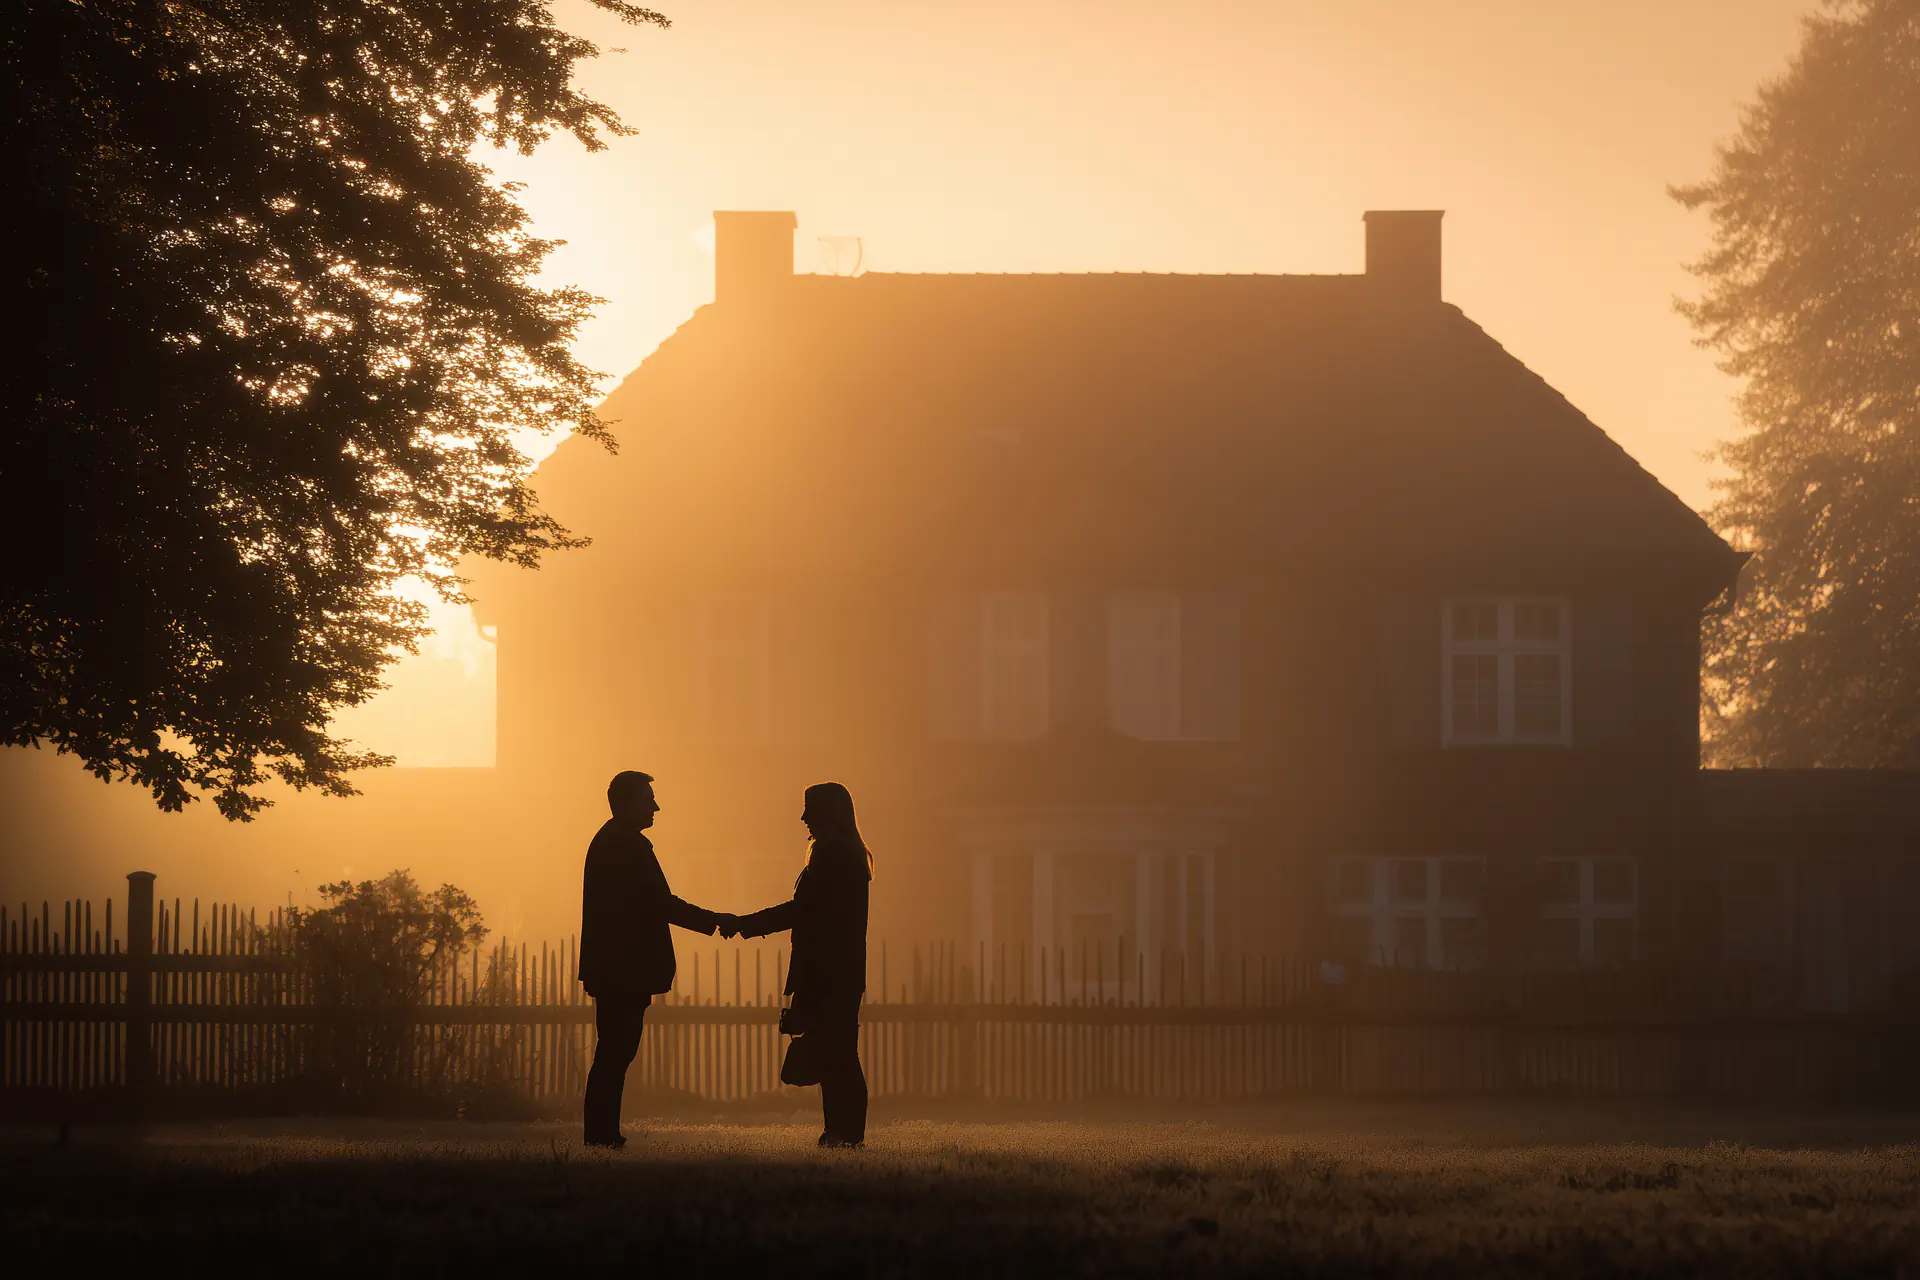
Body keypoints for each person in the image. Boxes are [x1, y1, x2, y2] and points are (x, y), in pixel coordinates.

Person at [579, 770, 731, 1149]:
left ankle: (602, 1133)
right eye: (649, 799)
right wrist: (713, 922)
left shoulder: (610, 841)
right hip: (623, 969)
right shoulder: (628, 846)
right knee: (616, 1051)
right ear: (629, 803)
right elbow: (660, 903)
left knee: (614, 1051)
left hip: (614, 967)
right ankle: (600, 1136)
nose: (656, 806)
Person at [723, 781, 871, 1148]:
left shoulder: (832, 856)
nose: (803, 817)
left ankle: (844, 1132)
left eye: (810, 808)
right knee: (837, 1053)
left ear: (828, 813)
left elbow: (804, 912)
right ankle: (840, 1131)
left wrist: (747, 924)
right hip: (840, 972)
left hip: (828, 972)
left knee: (837, 1055)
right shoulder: (845, 855)